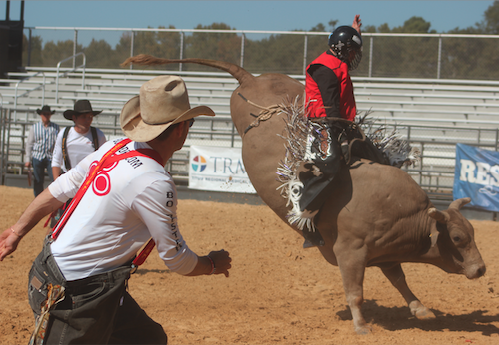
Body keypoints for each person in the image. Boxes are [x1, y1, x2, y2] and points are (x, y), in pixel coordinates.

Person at [0, 75, 232, 344]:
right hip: (77, 296)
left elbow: (60, 188)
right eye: (190, 122)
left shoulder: (114, 147)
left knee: (148, 338)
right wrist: (212, 264)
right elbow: (176, 258)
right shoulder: (155, 181)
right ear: (180, 129)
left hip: (47, 270)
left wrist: (17, 231)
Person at [299, 15, 363, 247]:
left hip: (338, 121)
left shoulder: (337, 59)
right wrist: (342, 138)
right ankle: (306, 218)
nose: (354, 55)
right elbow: (331, 107)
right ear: (343, 49)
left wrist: (354, 31)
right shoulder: (324, 68)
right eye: (353, 50)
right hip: (323, 125)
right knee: (331, 165)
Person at [51, 99, 107, 180]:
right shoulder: (64, 134)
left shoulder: (98, 135)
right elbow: (56, 160)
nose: (88, 120)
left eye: (90, 117)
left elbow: (104, 160)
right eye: (83, 117)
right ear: (74, 118)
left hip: (89, 180)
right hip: (68, 179)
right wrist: (57, 183)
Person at [24, 105, 60, 197]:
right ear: (41, 115)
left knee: (54, 179)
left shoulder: (55, 128)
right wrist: (27, 159)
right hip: (37, 156)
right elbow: (29, 144)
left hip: (50, 157)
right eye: (44, 114)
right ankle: (38, 199)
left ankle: (54, 197)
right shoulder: (34, 127)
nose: (46, 116)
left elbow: (58, 144)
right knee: (38, 180)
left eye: (48, 114)